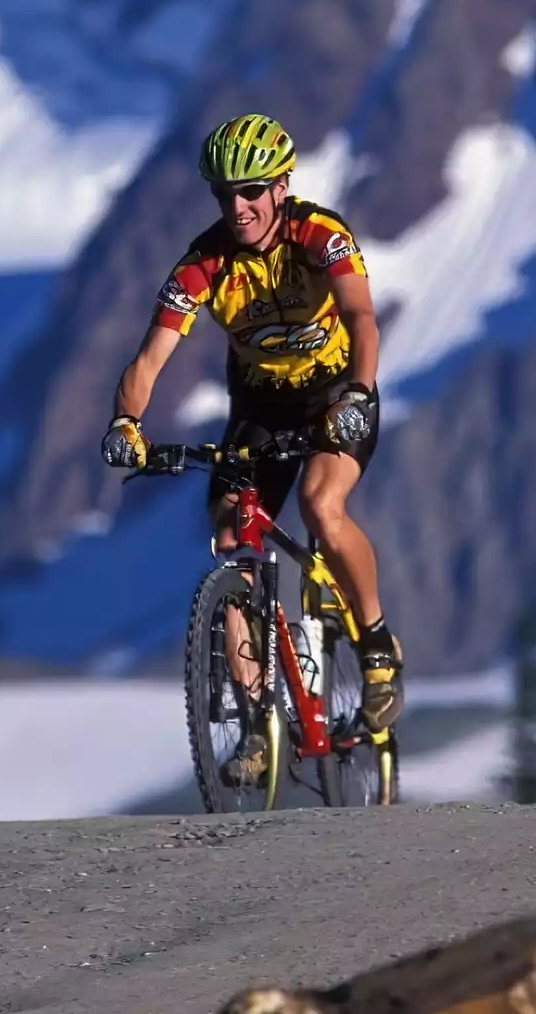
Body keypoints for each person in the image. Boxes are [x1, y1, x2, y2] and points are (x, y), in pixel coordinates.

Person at [101, 112, 401, 785]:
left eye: (251, 192)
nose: (238, 208)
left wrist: (358, 393)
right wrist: (126, 422)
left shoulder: (320, 235)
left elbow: (361, 317)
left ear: (281, 187)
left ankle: (377, 644)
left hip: (336, 394)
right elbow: (149, 358)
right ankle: (257, 717)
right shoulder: (203, 263)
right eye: (224, 195)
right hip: (261, 408)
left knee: (322, 508)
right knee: (234, 539)